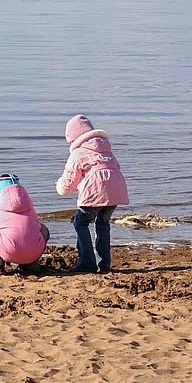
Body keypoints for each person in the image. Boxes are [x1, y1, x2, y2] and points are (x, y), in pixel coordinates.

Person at [55, 114, 129, 273]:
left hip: (96, 192)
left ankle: (87, 262)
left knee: (80, 222)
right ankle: (104, 264)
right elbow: (115, 167)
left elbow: (68, 182)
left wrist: (60, 186)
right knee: (103, 225)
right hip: (115, 191)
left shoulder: (78, 154)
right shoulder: (106, 149)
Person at [0, 174, 49, 274]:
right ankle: (30, 266)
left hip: (10, 251)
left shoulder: (0, 210)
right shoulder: (30, 208)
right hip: (33, 253)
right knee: (43, 229)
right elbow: (36, 225)